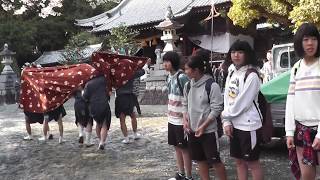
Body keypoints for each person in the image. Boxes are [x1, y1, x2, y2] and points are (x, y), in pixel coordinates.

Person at [222, 40, 263, 180]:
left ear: (247, 54)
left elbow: (243, 103)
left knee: (252, 163)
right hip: (234, 124)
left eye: (240, 52)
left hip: (249, 125)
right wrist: (226, 122)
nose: (236, 55)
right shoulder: (232, 72)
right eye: (233, 52)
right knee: (239, 162)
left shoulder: (252, 75)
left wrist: (224, 115)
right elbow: (227, 96)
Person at [183, 49, 227, 180]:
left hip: (208, 131)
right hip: (192, 130)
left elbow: (216, 108)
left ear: (196, 70)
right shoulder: (187, 86)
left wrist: (204, 126)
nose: (185, 72)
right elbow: (185, 104)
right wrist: (185, 119)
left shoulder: (211, 85)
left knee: (215, 161)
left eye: (187, 69)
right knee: (200, 160)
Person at [285, 23, 320, 180]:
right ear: (300, 42)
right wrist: (289, 132)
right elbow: (290, 100)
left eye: (314, 39)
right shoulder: (296, 68)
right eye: (306, 39)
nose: (310, 43)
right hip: (301, 131)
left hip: (319, 129)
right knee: (307, 177)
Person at [163, 51, 192, 180]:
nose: (165, 64)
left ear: (173, 62)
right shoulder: (169, 77)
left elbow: (190, 97)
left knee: (184, 149)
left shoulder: (182, 77)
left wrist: (187, 117)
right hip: (172, 118)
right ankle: (180, 173)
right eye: (164, 61)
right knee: (176, 147)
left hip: (181, 120)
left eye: (167, 61)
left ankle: (189, 176)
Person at [115, 62, 149, 144]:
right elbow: (142, 72)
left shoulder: (115, 73)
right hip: (129, 96)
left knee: (122, 119)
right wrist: (137, 65)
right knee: (133, 115)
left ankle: (126, 138)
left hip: (120, 97)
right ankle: (135, 134)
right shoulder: (130, 72)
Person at [83, 75, 111, 150]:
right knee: (104, 124)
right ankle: (102, 142)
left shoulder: (88, 84)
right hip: (104, 104)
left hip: (93, 106)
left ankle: (100, 140)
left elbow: (85, 97)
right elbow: (108, 91)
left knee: (98, 123)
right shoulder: (103, 80)